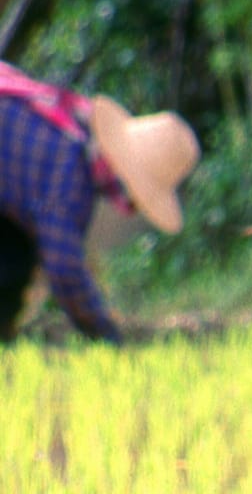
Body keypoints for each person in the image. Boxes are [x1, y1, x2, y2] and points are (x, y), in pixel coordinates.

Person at [0, 61, 200, 344]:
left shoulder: (68, 132)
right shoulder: (71, 173)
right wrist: (106, 334)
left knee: (13, 258)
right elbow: (63, 267)